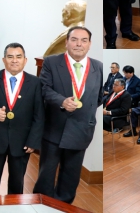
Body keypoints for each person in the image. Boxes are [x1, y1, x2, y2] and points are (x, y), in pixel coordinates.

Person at [32, 26, 102, 204]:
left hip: (81, 130)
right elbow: (44, 89)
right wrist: (62, 101)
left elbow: (99, 96)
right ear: (66, 42)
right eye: (74, 39)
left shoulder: (98, 67)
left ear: (90, 44)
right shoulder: (52, 62)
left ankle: (63, 206)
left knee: (71, 176)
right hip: (54, 127)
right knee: (46, 174)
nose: (79, 44)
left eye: (84, 40)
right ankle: (42, 205)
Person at [0, 43, 44, 195]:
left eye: (18, 57)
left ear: (25, 60)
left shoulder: (35, 83)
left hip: (22, 142)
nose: (14, 60)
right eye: (10, 57)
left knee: (17, 183)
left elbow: (39, 115)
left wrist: (33, 141)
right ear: (4, 60)